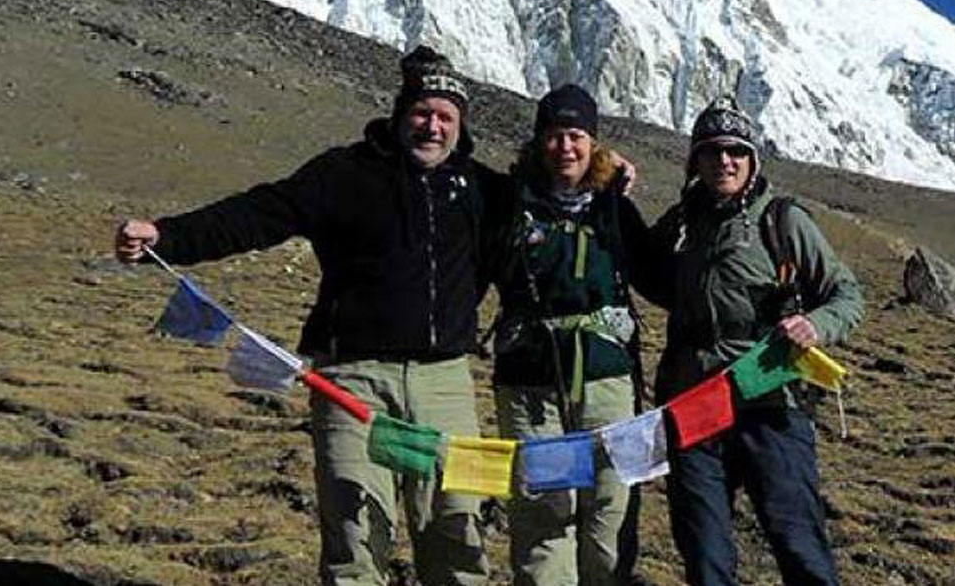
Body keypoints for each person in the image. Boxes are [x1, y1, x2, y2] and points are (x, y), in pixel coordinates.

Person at [115, 46, 501, 586]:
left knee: (459, 533)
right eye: (421, 112)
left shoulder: (485, 189)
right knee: (355, 535)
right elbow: (259, 213)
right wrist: (168, 236)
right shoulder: (343, 173)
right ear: (399, 114)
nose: (431, 126)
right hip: (351, 380)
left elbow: (560, 196)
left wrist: (608, 176)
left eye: (445, 117)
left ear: (461, 125)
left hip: (447, 384)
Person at [645, 96, 864, 586]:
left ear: (752, 160)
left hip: (770, 399)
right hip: (694, 403)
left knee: (798, 541)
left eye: (736, 151)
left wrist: (817, 325)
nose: (725, 160)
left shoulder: (782, 220)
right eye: (712, 150)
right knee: (704, 552)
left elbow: (845, 294)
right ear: (695, 161)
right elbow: (644, 269)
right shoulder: (681, 224)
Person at [486, 85, 655, 586]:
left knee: (611, 511)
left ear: (594, 144)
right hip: (532, 382)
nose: (565, 147)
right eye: (555, 136)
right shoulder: (508, 204)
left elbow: (661, 276)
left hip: (608, 382)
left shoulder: (615, 212)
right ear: (539, 142)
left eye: (576, 136)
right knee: (545, 516)